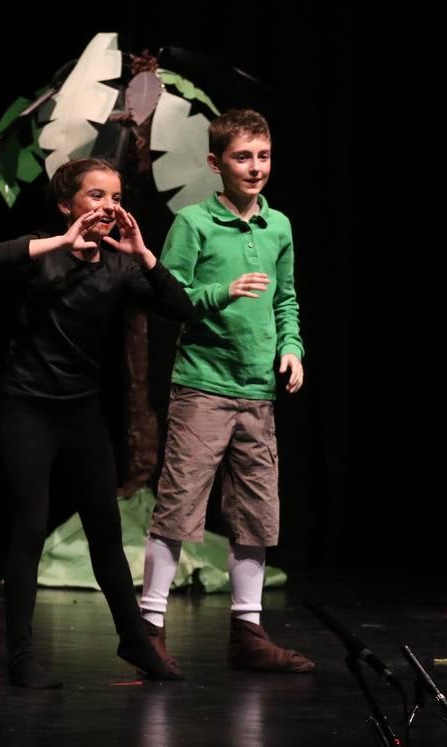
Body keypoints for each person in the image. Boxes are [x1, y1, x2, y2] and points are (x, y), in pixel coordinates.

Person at [0, 158, 191, 689]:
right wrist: (61, 242)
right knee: (29, 528)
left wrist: (142, 253)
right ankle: (21, 658)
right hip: (27, 407)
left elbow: (178, 306)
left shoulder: (119, 266)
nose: (107, 206)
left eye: (115, 197)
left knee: (106, 531)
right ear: (65, 205)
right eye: (95, 196)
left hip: (81, 411)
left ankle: (133, 640)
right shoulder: (39, 253)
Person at [139, 109, 314, 674]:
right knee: (178, 508)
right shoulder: (194, 224)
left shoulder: (279, 226)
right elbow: (168, 296)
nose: (256, 167)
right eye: (243, 156)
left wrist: (292, 348)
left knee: (256, 514)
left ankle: (248, 632)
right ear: (216, 164)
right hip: (203, 386)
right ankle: (149, 627)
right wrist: (224, 292)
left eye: (263, 155)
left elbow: (286, 299)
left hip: (257, 389)